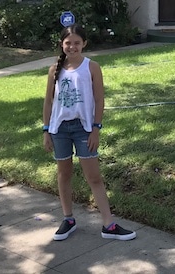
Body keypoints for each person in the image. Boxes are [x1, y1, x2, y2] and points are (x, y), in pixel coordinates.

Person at [42, 23, 136, 242]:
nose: (72, 47)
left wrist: (96, 128)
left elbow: (99, 99)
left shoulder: (91, 67)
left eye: (77, 42)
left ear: (84, 43)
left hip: (84, 129)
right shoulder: (54, 70)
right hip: (60, 129)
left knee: (94, 177)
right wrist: (46, 130)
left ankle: (108, 225)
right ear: (61, 44)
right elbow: (48, 102)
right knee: (64, 174)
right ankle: (68, 219)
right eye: (68, 43)